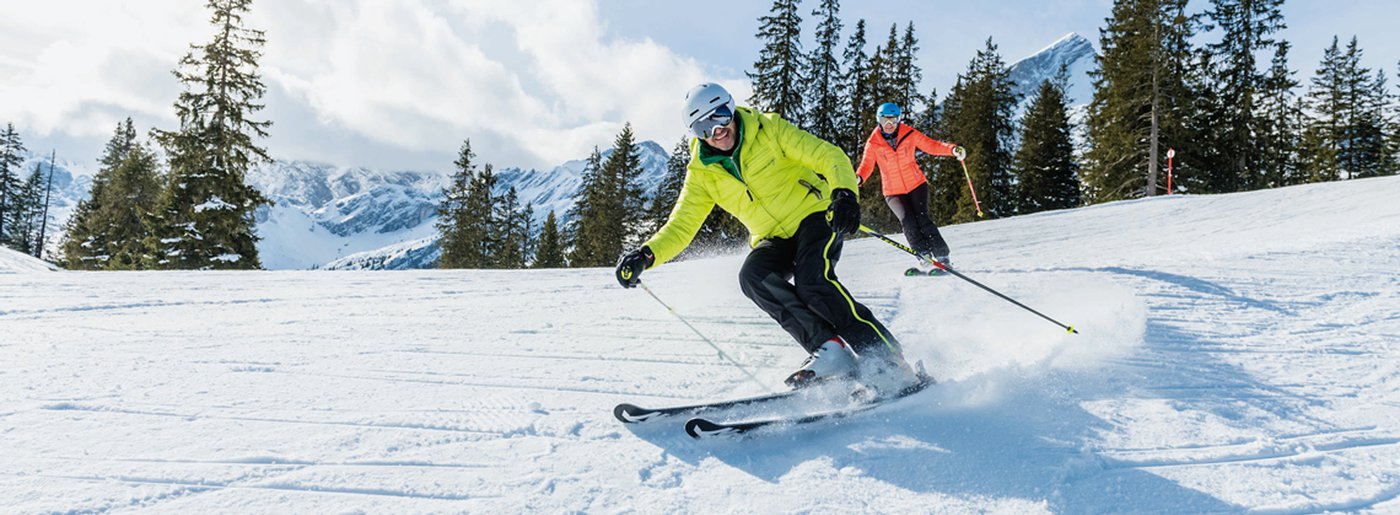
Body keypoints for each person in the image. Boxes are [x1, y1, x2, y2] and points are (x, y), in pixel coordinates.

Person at [615, 83, 916, 390]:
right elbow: (681, 226)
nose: (717, 130)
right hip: (772, 236)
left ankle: (887, 358)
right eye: (705, 126)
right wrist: (646, 255)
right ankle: (830, 350)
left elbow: (828, 155)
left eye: (721, 115)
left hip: (814, 215)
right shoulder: (702, 173)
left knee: (813, 282)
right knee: (753, 276)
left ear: (732, 109)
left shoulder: (769, 130)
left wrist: (844, 194)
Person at [855, 102, 965, 276]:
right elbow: (867, 165)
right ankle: (924, 256)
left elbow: (932, 146)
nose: (889, 124)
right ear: (879, 121)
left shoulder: (909, 134)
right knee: (907, 221)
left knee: (922, 218)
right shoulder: (873, 143)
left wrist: (952, 149)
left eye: (893, 120)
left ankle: (943, 257)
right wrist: (859, 178)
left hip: (916, 185)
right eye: (885, 120)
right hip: (893, 191)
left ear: (899, 120)